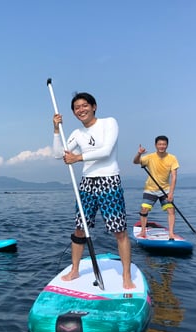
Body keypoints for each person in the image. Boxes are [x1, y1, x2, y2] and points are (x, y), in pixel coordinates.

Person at [52, 92, 135, 289]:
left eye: (84, 105)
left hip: (109, 181)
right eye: (76, 108)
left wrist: (78, 158)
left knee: (119, 231)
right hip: (87, 184)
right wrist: (56, 129)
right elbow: (58, 155)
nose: (81, 110)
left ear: (94, 106)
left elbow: (106, 151)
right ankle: (74, 270)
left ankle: (126, 275)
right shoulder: (76, 134)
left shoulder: (109, 123)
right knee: (80, 229)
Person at [133, 135, 179, 239]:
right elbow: (135, 162)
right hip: (150, 188)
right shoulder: (150, 157)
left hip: (165, 189)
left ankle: (171, 233)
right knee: (144, 209)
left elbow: (174, 176)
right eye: (160, 144)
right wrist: (139, 153)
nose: (162, 146)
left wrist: (171, 193)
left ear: (167, 145)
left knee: (171, 210)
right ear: (155, 145)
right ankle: (143, 231)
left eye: (164, 144)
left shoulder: (172, 158)